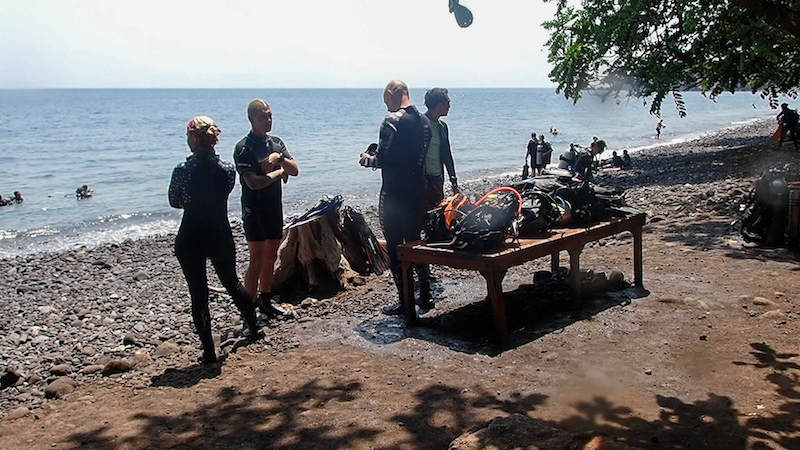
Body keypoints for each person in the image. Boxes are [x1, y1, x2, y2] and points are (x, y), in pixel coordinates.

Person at [169, 116, 260, 364]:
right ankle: (253, 328)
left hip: (190, 235)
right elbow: (225, 191)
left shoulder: (182, 170)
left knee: (198, 293)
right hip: (219, 232)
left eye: (188, 136)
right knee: (231, 283)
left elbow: (174, 201)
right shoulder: (227, 170)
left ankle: (209, 351)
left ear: (194, 138)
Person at [359, 80, 430, 315]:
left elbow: (383, 159)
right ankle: (425, 294)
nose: (386, 105)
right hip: (417, 190)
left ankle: (404, 300)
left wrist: (365, 159)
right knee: (415, 241)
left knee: (395, 246)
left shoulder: (392, 121)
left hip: (393, 192)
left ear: (391, 94)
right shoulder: (425, 122)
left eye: (385, 100)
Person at [234, 99, 300, 318]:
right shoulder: (244, 148)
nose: (268, 120)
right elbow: (253, 183)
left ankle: (265, 300)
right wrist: (279, 174)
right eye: (263, 116)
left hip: (273, 206)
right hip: (254, 208)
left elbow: (295, 169)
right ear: (251, 118)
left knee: (271, 256)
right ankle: (248, 309)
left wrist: (279, 159)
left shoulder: (276, 143)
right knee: (256, 260)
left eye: (270, 115)